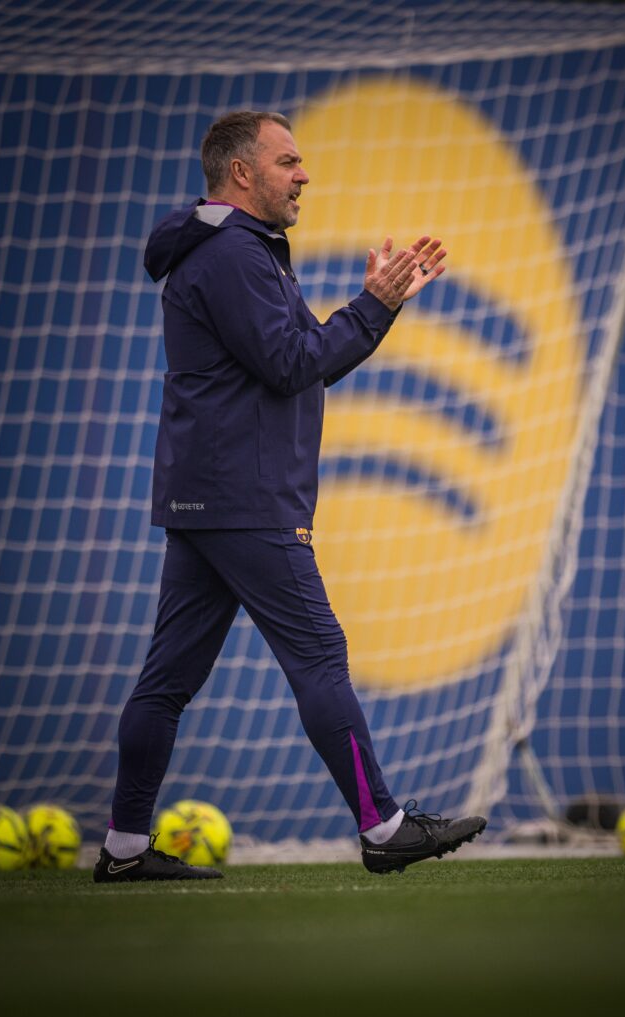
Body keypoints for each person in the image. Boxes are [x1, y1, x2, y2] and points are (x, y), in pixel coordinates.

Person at [93, 110, 487, 883]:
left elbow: (299, 358)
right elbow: (292, 363)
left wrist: (376, 307)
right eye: (288, 161)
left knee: (166, 683)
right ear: (242, 172)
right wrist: (374, 304)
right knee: (319, 657)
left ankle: (125, 848)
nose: (303, 175)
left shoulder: (226, 248)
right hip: (245, 497)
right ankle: (384, 828)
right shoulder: (235, 253)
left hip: (209, 496)